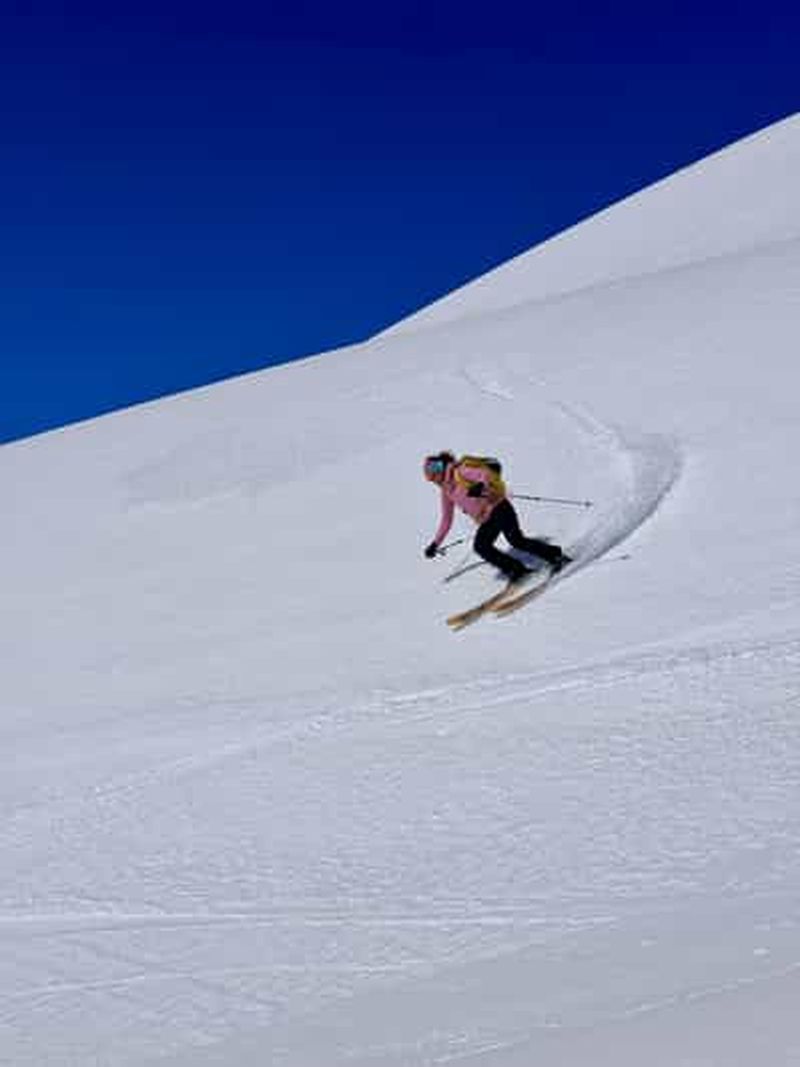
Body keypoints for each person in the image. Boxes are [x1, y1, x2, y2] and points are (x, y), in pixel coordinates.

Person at [422, 451, 571, 582]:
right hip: (486, 519)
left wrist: (480, 485)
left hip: (499, 507)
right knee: (481, 546)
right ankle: (516, 570)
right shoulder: (446, 492)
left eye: (436, 468)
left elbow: (484, 474)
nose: (435, 475)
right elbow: (446, 520)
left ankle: (555, 556)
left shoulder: (460, 472)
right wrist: (435, 544)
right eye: (431, 474)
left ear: (442, 465)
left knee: (516, 540)